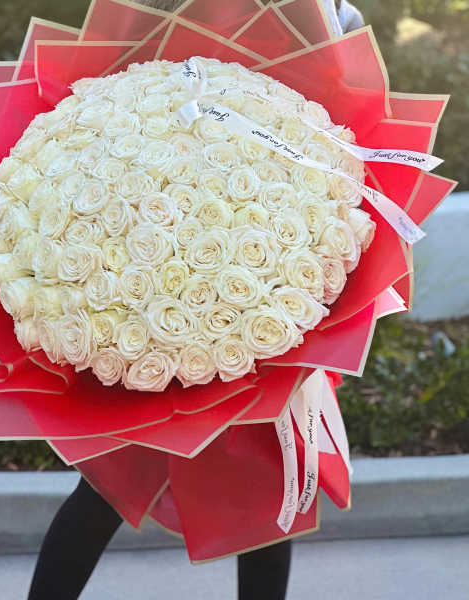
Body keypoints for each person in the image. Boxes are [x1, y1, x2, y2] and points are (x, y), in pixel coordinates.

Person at [27, 2, 364, 598]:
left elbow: (342, 107)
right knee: (114, 482)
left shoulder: (330, 15)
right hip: (155, 266)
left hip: (271, 263)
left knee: (267, 479)